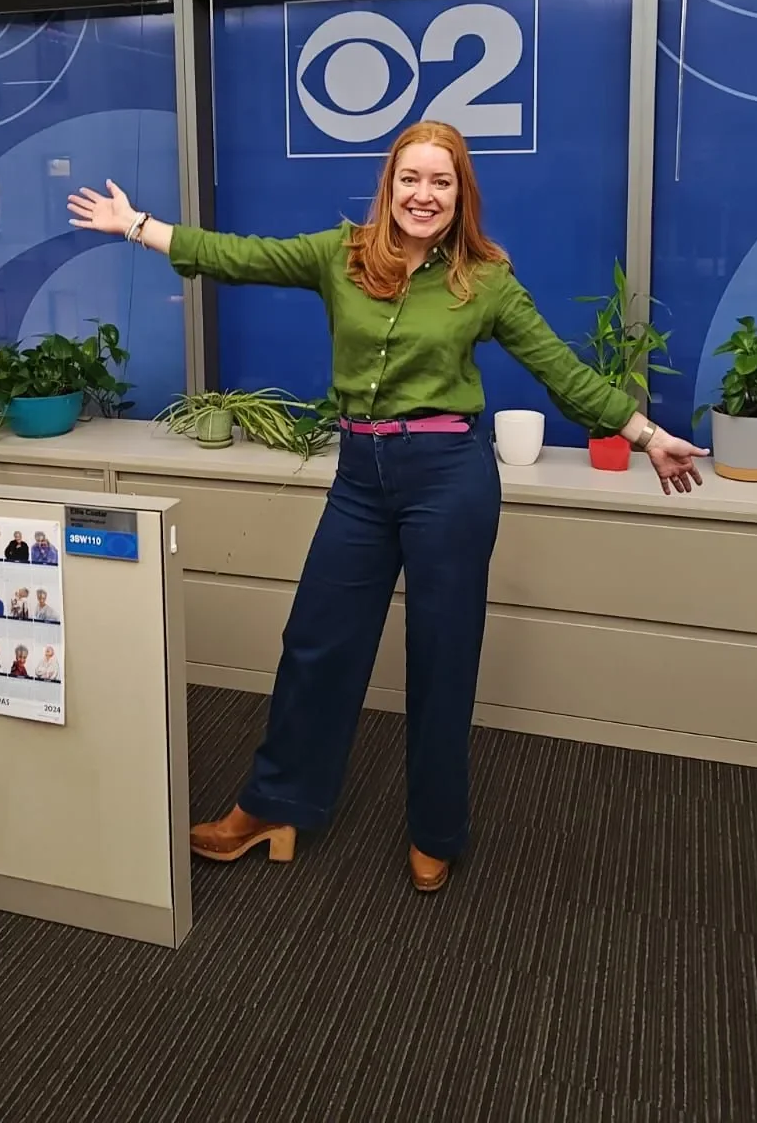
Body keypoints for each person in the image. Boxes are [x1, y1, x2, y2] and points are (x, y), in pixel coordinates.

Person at [68, 121, 707, 893]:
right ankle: (274, 806)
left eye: (441, 182)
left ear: (460, 193)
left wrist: (644, 433)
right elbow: (238, 257)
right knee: (315, 643)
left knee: (442, 657)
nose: (424, 195)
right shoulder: (341, 254)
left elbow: (561, 370)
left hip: (449, 477)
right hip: (362, 477)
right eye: (411, 179)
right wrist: (137, 225)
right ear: (390, 184)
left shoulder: (486, 279)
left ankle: (436, 828)